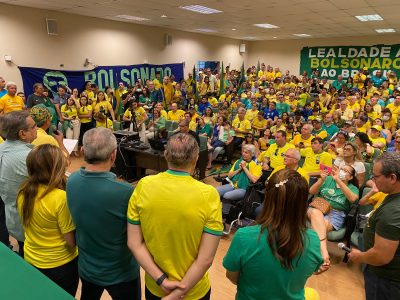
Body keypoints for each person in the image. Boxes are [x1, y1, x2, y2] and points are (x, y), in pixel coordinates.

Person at [127, 133, 223, 299]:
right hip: (193, 292)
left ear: (165, 155)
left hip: (156, 287)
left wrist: (162, 281)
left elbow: (134, 243)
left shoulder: (144, 185)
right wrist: (178, 293)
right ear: (196, 157)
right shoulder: (209, 195)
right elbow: (205, 259)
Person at [223, 169, 322, 300]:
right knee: (312, 294)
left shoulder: (244, 236)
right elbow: (312, 270)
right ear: (303, 202)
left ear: (267, 197)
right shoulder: (313, 240)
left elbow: (232, 277)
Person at [66, 127, 140, 300]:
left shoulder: (72, 181)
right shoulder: (126, 192)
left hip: (87, 268)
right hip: (122, 273)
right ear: (113, 155)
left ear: (83, 151)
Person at [17, 144, 78, 296]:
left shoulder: (23, 191)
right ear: (55, 168)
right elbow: (71, 242)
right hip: (60, 264)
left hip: (32, 258)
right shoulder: (60, 198)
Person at [349, 152, 400, 300]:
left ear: (392, 178)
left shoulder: (393, 212)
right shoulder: (391, 196)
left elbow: (381, 256)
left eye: (376, 177)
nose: (372, 180)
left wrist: (360, 257)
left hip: (384, 279)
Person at [308, 165, 359, 273]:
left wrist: (338, 180)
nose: (342, 171)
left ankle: (311, 257)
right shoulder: (328, 179)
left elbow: (352, 199)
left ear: (350, 177)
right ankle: (324, 254)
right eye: (341, 169)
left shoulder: (353, 188)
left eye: (345, 171)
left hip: (336, 214)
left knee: (319, 228)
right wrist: (321, 180)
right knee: (316, 214)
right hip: (316, 208)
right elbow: (311, 192)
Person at [0, 110, 37, 256]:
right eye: (34, 127)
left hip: (12, 217)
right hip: (32, 220)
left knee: (23, 249)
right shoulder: (29, 157)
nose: (37, 129)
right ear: (22, 134)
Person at [217, 144, 262, 216]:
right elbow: (229, 175)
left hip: (245, 188)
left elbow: (254, 180)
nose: (243, 154)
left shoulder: (256, 165)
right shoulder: (238, 161)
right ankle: (219, 210)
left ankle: (225, 213)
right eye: (243, 152)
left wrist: (245, 168)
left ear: (252, 154)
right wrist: (239, 169)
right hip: (233, 184)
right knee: (216, 190)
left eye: (246, 153)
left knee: (227, 195)